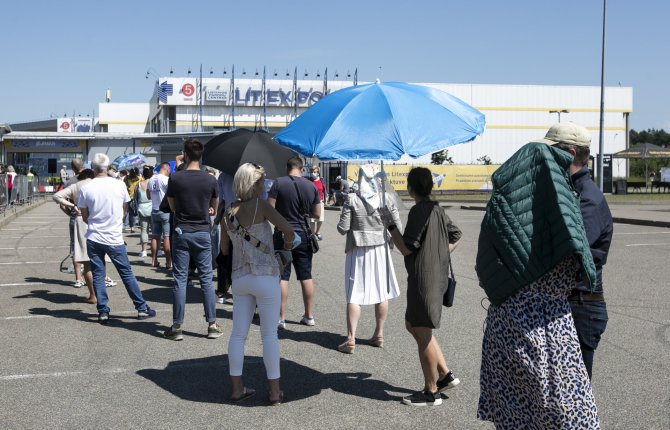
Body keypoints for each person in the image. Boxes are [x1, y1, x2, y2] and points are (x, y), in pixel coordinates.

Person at [475, 141, 600, 428]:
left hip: (504, 325)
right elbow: (580, 268)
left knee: (514, 415)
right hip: (552, 327)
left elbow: (483, 272)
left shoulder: (499, 210)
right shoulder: (564, 212)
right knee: (568, 415)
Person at [538, 122, 613, 379]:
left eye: (551, 152)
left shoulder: (587, 199)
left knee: (575, 399)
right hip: (569, 304)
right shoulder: (570, 192)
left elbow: (570, 253)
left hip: (580, 308)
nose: (545, 158)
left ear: (569, 154)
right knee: (560, 397)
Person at [383, 167, 462, 407]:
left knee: (422, 331)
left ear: (410, 188)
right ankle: (445, 374)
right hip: (434, 278)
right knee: (413, 325)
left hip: (423, 280)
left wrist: (390, 224)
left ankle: (431, 392)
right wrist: (438, 255)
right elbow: (456, 235)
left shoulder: (420, 210)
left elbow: (406, 248)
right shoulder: (437, 209)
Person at [221, 162, 295, 405]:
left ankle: (237, 388)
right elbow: (289, 231)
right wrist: (284, 251)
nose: (264, 186)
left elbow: (223, 250)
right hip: (265, 276)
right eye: (261, 182)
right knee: (269, 335)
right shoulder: (260, 206)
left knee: (238, 334)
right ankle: (275, 392)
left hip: (240, 278)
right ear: (253, 185)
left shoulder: (227, 212)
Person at [78, 153, 156, 324]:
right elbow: (125, 208)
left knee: (98, 273)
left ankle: (103, 311)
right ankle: (141, 308)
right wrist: (118, 220)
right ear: (107, 168)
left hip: (94, 236)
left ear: (93, 168)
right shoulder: (119, 185)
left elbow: (84, 216)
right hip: (114, 236)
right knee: (126, 273)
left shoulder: (86, 188)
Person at [336, 165, 402, 354]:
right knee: (381, 291)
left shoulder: (353, 198)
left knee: (354, 293)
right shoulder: (386, 198)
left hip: (358, 248)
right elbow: (397, 225)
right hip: (381, 248)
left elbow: (342, 228)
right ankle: (379, 334)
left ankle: (351, 338)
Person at [163, 140, 222, 341]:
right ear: (201, 155)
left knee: (180, 279)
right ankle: (212, 325)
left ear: (186, 155)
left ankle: (177, 327)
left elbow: (172, 206)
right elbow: (214, 204)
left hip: (182, 231)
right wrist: (209, 207)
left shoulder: (175, 177)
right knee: (206, 278)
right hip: (203, 232)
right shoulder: (210, 179)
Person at [268, 156, 321, 329]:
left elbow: (270, 209)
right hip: (304, 234)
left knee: (283, 276)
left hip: (283, 234)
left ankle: (280, 318)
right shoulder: (311, 186)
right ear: (302, 168)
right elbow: (317, 213)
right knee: (306, 276)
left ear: (287, 167)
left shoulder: (278, 183)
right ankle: (309, 315)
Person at [53, 169, 97, 303]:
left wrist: (74, 205)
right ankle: (101, 292)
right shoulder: (98, 183)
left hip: (81, 220)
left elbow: (57, 196)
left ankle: (93, 295)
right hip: (98, 220)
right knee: (98, 260)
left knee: (86, 260)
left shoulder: (76, 186)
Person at [147, 162, 172, 269]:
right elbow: (171, 195)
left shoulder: (151, 179)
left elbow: (148, 196)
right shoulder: (166, 180)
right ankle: (168, 262)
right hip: (165, 210)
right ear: (167, 169)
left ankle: (154, 260)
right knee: (166, 236)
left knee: (155, 236)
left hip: (154, 209)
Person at [136, 166, 154, 257]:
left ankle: (144, 251)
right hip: (152, 207)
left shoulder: (139, 184)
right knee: (155, 231)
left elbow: (136, 197)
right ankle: (157, 250)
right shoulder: (153, 183)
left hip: (142, 208)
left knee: (144, 230)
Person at [308, 165, 326, 240]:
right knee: (312, 220)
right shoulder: (308, 180)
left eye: (315, 172)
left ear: (318, 173)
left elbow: (324, 191)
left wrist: (326, 200)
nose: (313, 173)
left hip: (320, 201)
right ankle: (312, 234)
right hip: (311, 202)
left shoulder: (321, 180)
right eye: (312, 172)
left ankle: (317, 232)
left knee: (320, 219)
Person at [124, 168, 141, 232]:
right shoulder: (139, 178)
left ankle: (127, 225)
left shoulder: (127, 178)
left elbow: (125, 184)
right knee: (134, 212)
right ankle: (132, 227)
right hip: (136, 197)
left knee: (128, 212)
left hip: (128, 196)